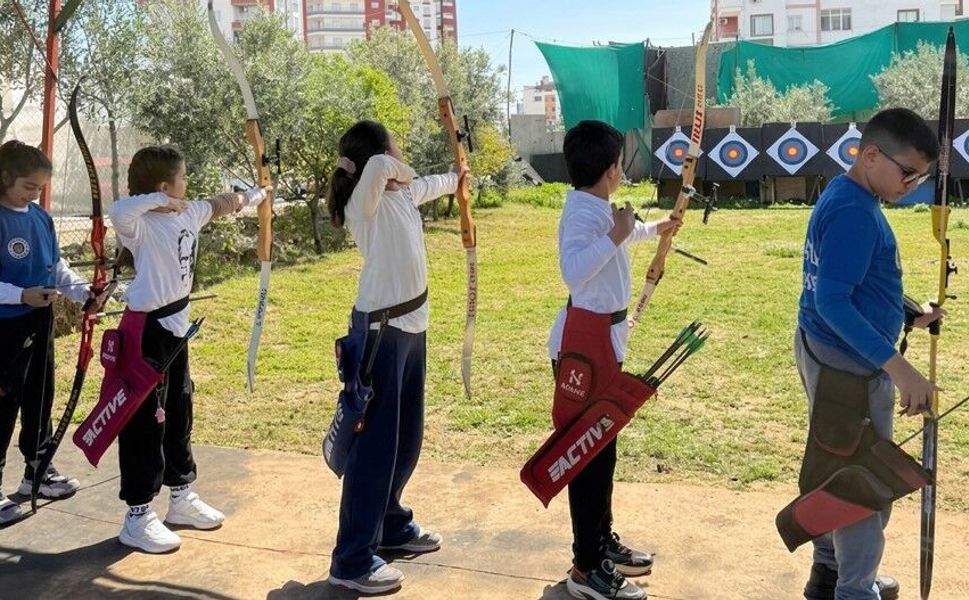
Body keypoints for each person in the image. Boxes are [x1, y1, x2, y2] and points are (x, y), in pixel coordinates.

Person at [795, 107, 943, 600]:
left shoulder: (848, 194)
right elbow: (832, 301)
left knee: (840, 467)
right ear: (871, 155)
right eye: (907, 173)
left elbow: (852, 283)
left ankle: (832, 573)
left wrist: (904, 311)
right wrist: (901, 370)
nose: (913, 185)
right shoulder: (856, 212)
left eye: (921, 177)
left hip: (832, 353)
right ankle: (853, 590)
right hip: (847, 368)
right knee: (860, 484)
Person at [324, 120, 465, 595]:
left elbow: (428, 183)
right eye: (394, 143)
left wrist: (458, 177)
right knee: (375, 449)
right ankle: (351, 559)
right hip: (380, 331)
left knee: (406, 440)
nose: (401, 150)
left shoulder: (397, 193)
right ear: (379, 151)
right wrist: (394, 166)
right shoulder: (363, 197)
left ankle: (389, 524)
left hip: (410, 327)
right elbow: (385, 166)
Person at [109, 145, 269, 553]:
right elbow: (119, 211)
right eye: (182, 179)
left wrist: (254, 195)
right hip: (146, 331)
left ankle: (180, 495)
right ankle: (138, 514)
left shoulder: (190, 212)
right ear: (164, 187)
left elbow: (220, 204)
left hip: (176, 327)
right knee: (146, 421)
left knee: (179, 408)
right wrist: (164, 201)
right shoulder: (140, 225)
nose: (188, 186)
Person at [547, 120, 680, 600]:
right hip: (584, 348)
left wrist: (653, 229)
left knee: (602, 448)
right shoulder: (583, 214)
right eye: (620, 163)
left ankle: (601, 542)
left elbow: (620, 234)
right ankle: (585, 570)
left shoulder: (595, 204)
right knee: (587, 456)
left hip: (602, 341)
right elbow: (575, 271)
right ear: (610, 171)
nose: (622, 171)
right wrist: (620, 231)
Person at [0, 140, 97, 525]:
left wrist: (83, 291)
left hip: (39, 322)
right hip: (4, 330)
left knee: (40, 396)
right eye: (28, 185)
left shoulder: (40, 217)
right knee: (2, 405)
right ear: (4, 177)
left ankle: (37, 472)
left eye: (39, 187)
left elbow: (55, 267)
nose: (35, 193)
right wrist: (20, 294)